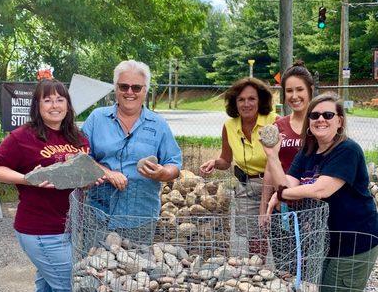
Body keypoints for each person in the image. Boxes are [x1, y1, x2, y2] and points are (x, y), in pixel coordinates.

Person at [263, 92, 378, 292]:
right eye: (315, 115)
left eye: (328, 115)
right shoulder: (308, 151)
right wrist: (272, 155)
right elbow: (285, 184)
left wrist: (283, 195)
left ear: (340, 121)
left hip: (356, 240)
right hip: (326, 240)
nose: (320, 120)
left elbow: (320, 189)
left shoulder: (348, 150)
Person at [0, 79, 90, 292]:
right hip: (39, 228)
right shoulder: (23, 136)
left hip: (67, 225)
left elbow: (86, 168)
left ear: (68, 105)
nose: (54, 105)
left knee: (48, 289)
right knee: (67, 289)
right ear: (37, 106)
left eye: (60, 100)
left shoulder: (77, 135)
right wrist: (27, 178)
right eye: (47, 100)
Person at [82, 60, 182, 239]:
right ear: (116, 88)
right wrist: (106, 172)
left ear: (145, 90)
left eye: (136, 88)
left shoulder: (159, 124)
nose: (129, 92)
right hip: (98, 213)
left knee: (136, 265)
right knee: (93, 264)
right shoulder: (97, 118)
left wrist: (162, 174)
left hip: (140, 216)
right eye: (124, 86)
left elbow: (174, 163)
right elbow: (81, 157)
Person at [200, 77, 278, 212]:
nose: (246, 104)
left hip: (274, 185)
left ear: (260, 100)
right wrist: (214, 162)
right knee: (246, 232)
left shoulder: (274, 121)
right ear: (234, 103)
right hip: (246, 187)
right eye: (241, 99)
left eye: (251, 99)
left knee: (274, 231)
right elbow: (225, 161)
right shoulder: (229, 126)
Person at [260, 61, 314, 215]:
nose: (294, 96)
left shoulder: (321, 125)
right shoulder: (278, 126)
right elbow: (270, 168)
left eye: (299, 89)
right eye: (289, 91)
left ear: (310, 90)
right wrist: (263, 209)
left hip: (313, 207)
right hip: (282, 205)